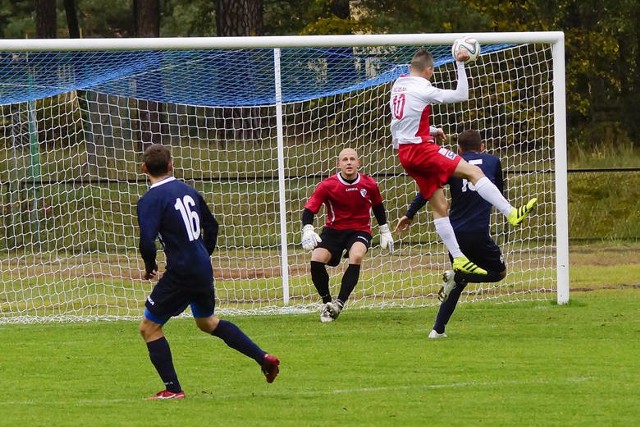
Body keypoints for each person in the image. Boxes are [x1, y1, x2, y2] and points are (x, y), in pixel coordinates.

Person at [137, 144, 280, 400]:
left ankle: (173, 390)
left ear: (144, 169)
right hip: (201, 266)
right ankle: (264, 358)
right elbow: (211, 226)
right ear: (171, 165)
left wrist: (150, 267)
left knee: (149, 328)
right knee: (207, 322)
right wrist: (202, 255)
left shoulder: (150, 199)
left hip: (181, 271)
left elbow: (147, 241)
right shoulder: (188, 190)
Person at [389, 48, 536, 277]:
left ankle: (458, 258)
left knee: (440, 207)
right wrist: (460, 64)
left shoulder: (399, 84)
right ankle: (510, 212)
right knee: (473, 172)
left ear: (410, 69)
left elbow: (402, 124)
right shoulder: (424, 87)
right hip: (421, 150)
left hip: (405, 153)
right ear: (429, 71)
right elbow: (461, 95)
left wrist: (431, 129)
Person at [395, 130, 508, 338]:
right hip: (479, 233)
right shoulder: (493, 161)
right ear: (483, 147)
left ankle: (437, 329)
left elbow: (427, 191)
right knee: (499, 273)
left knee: (458, 283)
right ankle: (458, 276)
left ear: (458, 150)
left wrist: (409, 214)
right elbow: (497, 190)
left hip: (454, 235)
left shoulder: (452, 163)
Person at [301, 147, 394, 323]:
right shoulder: (327, 185)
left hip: (360, 230)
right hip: (334, 231)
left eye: (352, 159)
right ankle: (327, 303)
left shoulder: (370, 184)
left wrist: (385, 230)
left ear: (358, 163)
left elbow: (378, 207)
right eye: (345, 159)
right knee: (316, 259)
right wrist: (307, 228)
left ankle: (339, 304)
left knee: (357, 255)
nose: (349, 162)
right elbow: (310, 208)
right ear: (339, 164)